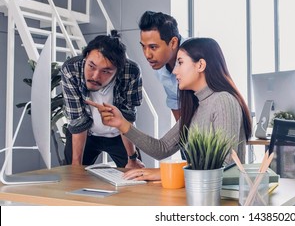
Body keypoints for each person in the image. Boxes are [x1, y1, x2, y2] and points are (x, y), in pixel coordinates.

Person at [87, 37, 252, 181]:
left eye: (180, 63)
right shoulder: (196, 106)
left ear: (200, 65)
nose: (174, 70)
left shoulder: (223, 101)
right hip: (198, 193)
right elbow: (162, 148)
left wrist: (165, 173)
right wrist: (121, 123)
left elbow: (226, 166)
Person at [61, 30, 145, 169]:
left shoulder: (131, 72)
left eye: (105, 71)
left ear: (118, 70)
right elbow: (78, 121)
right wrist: (75, 168)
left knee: (138, 177)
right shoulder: (71, 70)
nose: (95, 76)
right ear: (86, 57)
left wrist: (132, 158)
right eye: (91, 66)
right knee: (72, 177)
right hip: (85, 134)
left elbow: (127, 117)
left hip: (119, 135)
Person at [138, 11, 185, 121]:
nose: (147, 55)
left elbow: (225, 89)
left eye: (153, 47)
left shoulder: (198, 52)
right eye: (143, 47)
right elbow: (175, 101)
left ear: (173, 43)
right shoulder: (160, 64)